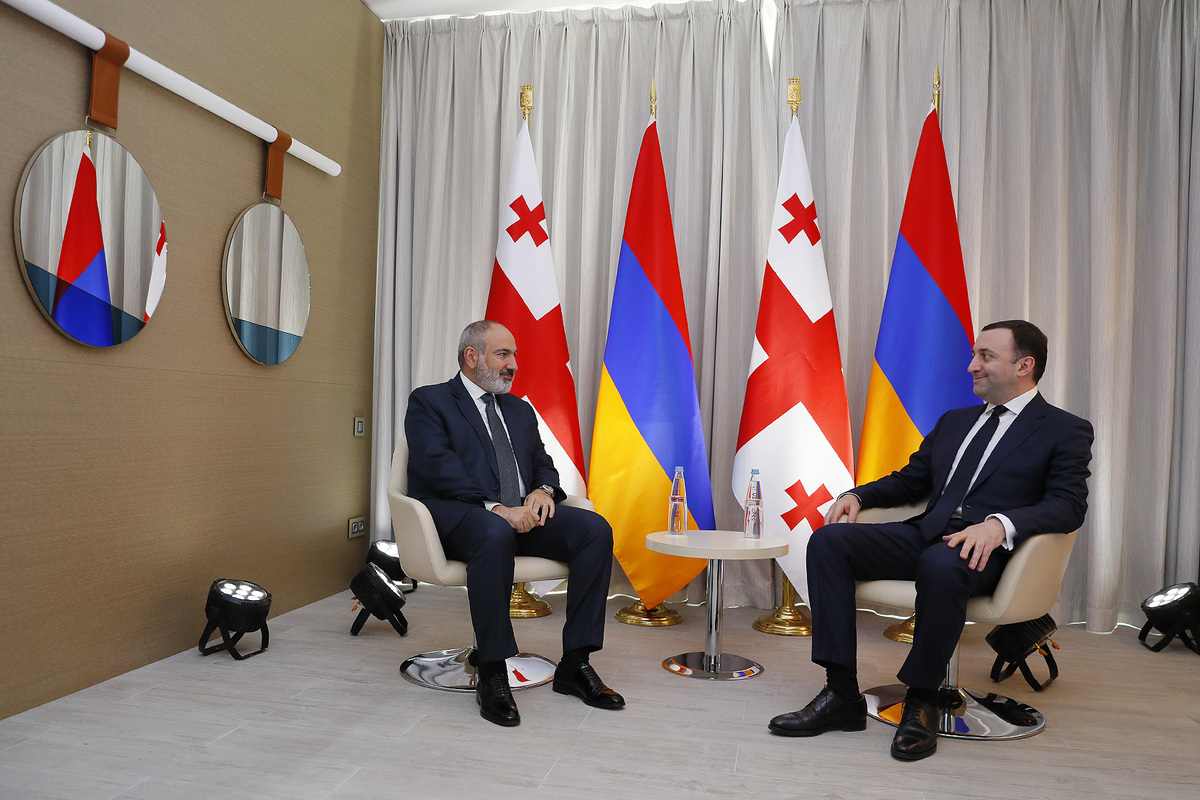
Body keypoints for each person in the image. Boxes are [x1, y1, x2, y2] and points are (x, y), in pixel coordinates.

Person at [768, 320, 1093, 760]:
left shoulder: (1063, 428)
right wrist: (857, 495)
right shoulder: (956, 421)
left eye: (985, 356)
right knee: (830, 541)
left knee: (942, 563)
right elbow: (910, 481)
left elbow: (1069, 505)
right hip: (924, 534)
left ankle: (922, 700)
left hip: (985, 552)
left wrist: (1000, 525)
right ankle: (840, 692)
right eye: (974, 355)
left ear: (1024, 365)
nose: (972, 365)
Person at [404, 320, 624, 727]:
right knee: (494, 531)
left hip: (521, 518)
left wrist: (542, 490)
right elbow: (437, 468)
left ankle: (575, 664)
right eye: (503, 354)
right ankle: (492, 671)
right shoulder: (430, 401)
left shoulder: (519, 410)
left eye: (514, 355)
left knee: (594, 530)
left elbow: (544, 463)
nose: (513, 365)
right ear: (472, 357)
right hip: (462, 519)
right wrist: (498, 508)